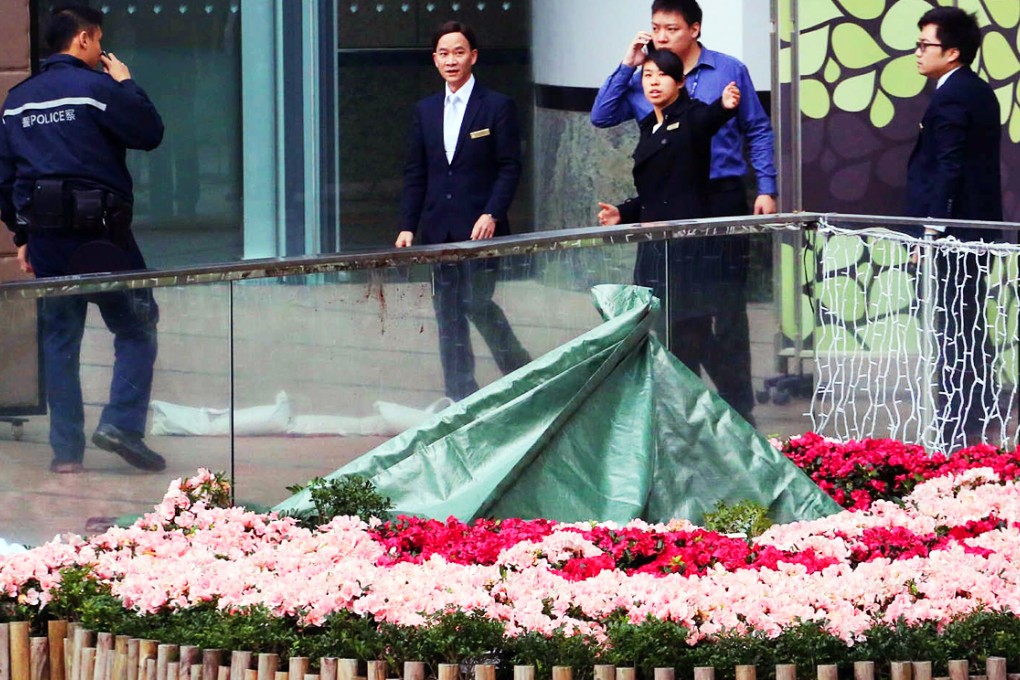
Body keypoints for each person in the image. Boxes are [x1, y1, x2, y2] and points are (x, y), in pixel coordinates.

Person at [591, 0, 776, 425]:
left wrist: (766, 187)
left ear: (694, 29)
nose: (661, 35)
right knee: (673, 307)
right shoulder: (647, 75)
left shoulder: (728, 69)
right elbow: (601, 117)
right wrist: (627, 65)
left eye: (671, 28)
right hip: (668, 202)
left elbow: (757, 128)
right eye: (655, 27)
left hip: (721, 195)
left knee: (726, 308)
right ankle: (683, 405)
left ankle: (738, 407)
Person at [0, 4, 166, 473]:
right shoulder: (98, 89)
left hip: (49, 239)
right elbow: (149, 132)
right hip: (103, 239)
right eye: (99, 42)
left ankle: (66, 455)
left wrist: (22, 234)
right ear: (86, 39)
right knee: (136, 326)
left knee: (59, 342)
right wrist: (126, 83)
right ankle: (121, 426)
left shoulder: (18, 100)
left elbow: (4, 177)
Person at [396, 21, 531, 401]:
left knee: (476, 301)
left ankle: (518, 369)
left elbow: (509, 166)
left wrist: (492, 212)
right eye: (444, 53)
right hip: (439, 229)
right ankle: (461, 394)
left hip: (481, 227)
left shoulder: (497, 106)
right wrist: (408, 225)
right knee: (447, 315)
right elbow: (416, 172)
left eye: (459, 52)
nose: (451, 60)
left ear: (473, 56)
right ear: (435, 59)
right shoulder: (424, 111)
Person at [596, 50, 740, 359]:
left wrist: (724, 106)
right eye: (647, 75)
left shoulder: (690, 115)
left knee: (691, 333)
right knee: (669, 333)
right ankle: (687, 402)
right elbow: (656, 193)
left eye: (662, 75)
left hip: (684, 250)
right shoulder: (650, 125)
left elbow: (707, 119)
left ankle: (728, 399)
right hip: (654, 250)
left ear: (680, 82)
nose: (653, 83)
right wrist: (623, 212)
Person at [906, 6, 1002, 449]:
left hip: (954, 238)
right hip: (976, 231)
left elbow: (949, 166)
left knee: (953, 328)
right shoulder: (978, 91)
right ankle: (976, 412)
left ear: (954, 51)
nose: (918, 52)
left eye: (926, 45)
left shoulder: (951, 96)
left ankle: (954, 420)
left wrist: (931, 230)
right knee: (968, 325)